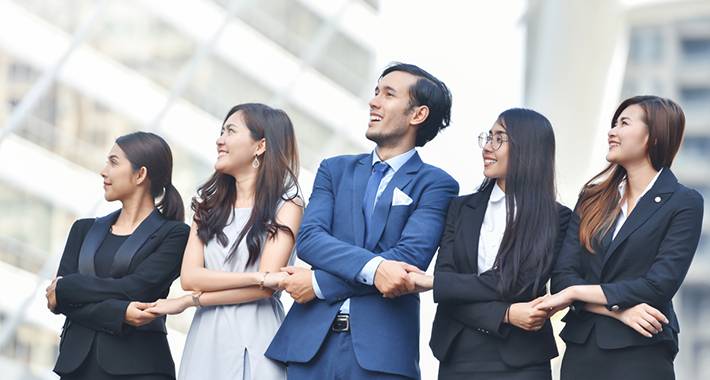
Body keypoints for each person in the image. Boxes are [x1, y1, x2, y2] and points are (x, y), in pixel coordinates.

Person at [265, 62, 460, 380]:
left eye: (388, 94)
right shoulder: (334, 170)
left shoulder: (437, 184)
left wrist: (318, 284)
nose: (373, 101)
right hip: (308, 347)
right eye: (375, 92)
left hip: (382, 356)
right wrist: (376, 269)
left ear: (417, 114)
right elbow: (311, 239)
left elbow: (408, 261)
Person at [539, 96, 704, 380]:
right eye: (613, 123)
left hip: (642, 350)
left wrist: (577, 293)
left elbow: (658, 286)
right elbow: (564, 278)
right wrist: (617, 312)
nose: (612, 131)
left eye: (623, 123)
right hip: (583, 351)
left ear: (652, 136)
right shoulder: (592, 198)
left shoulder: (683, 202)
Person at [145, 103, 303, 380]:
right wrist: (258, 278)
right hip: (207, 335)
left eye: (230, 131)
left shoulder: (288, 205)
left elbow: (266, 290)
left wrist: (191, 301)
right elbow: (190, 276)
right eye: (221, 131)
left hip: (257, 333)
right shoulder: (207, 205)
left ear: (260, 146)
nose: (220, 139)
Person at [411, 108, 572, 379]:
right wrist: (506, 313)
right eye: (488, 137)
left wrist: (434, 282)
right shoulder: (460, 208)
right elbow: (450, 289)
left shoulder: (557, 218)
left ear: (527, 148)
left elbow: (517, 281)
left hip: (523, 361)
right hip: (459, 353)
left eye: (499, 139)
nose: (487, 147)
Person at [47, 131, 190, 380]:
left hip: (140, 368)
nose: (104, 171)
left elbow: (137, 289)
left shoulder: (174, 234)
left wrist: (69, 288)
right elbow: (58, 300)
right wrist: (121, 313)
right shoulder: (83, 229)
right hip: (76, 367)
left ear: (140, 174)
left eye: (113, 162)